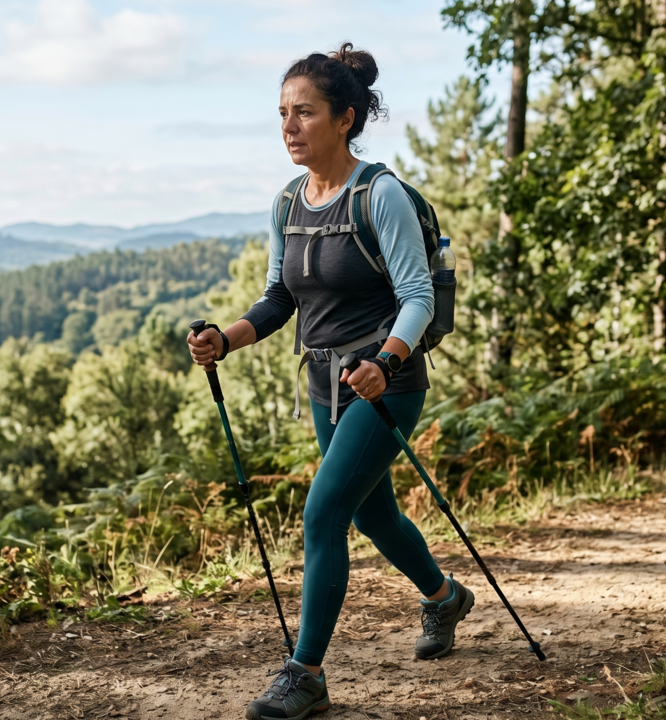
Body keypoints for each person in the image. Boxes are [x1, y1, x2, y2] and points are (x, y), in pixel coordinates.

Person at [186, 43, 476, 720]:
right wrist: (225, 339)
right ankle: (445, 597)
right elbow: (279, 299)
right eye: (283, 114)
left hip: (385, 384)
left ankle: (305, 673)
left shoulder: (381, 195)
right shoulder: (289, 202)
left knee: (323, 514)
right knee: (372, 514)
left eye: (305, 113)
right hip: (324, 384)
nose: (290, 127)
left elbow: (417, 297)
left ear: (345, 118)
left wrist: (387, 361)